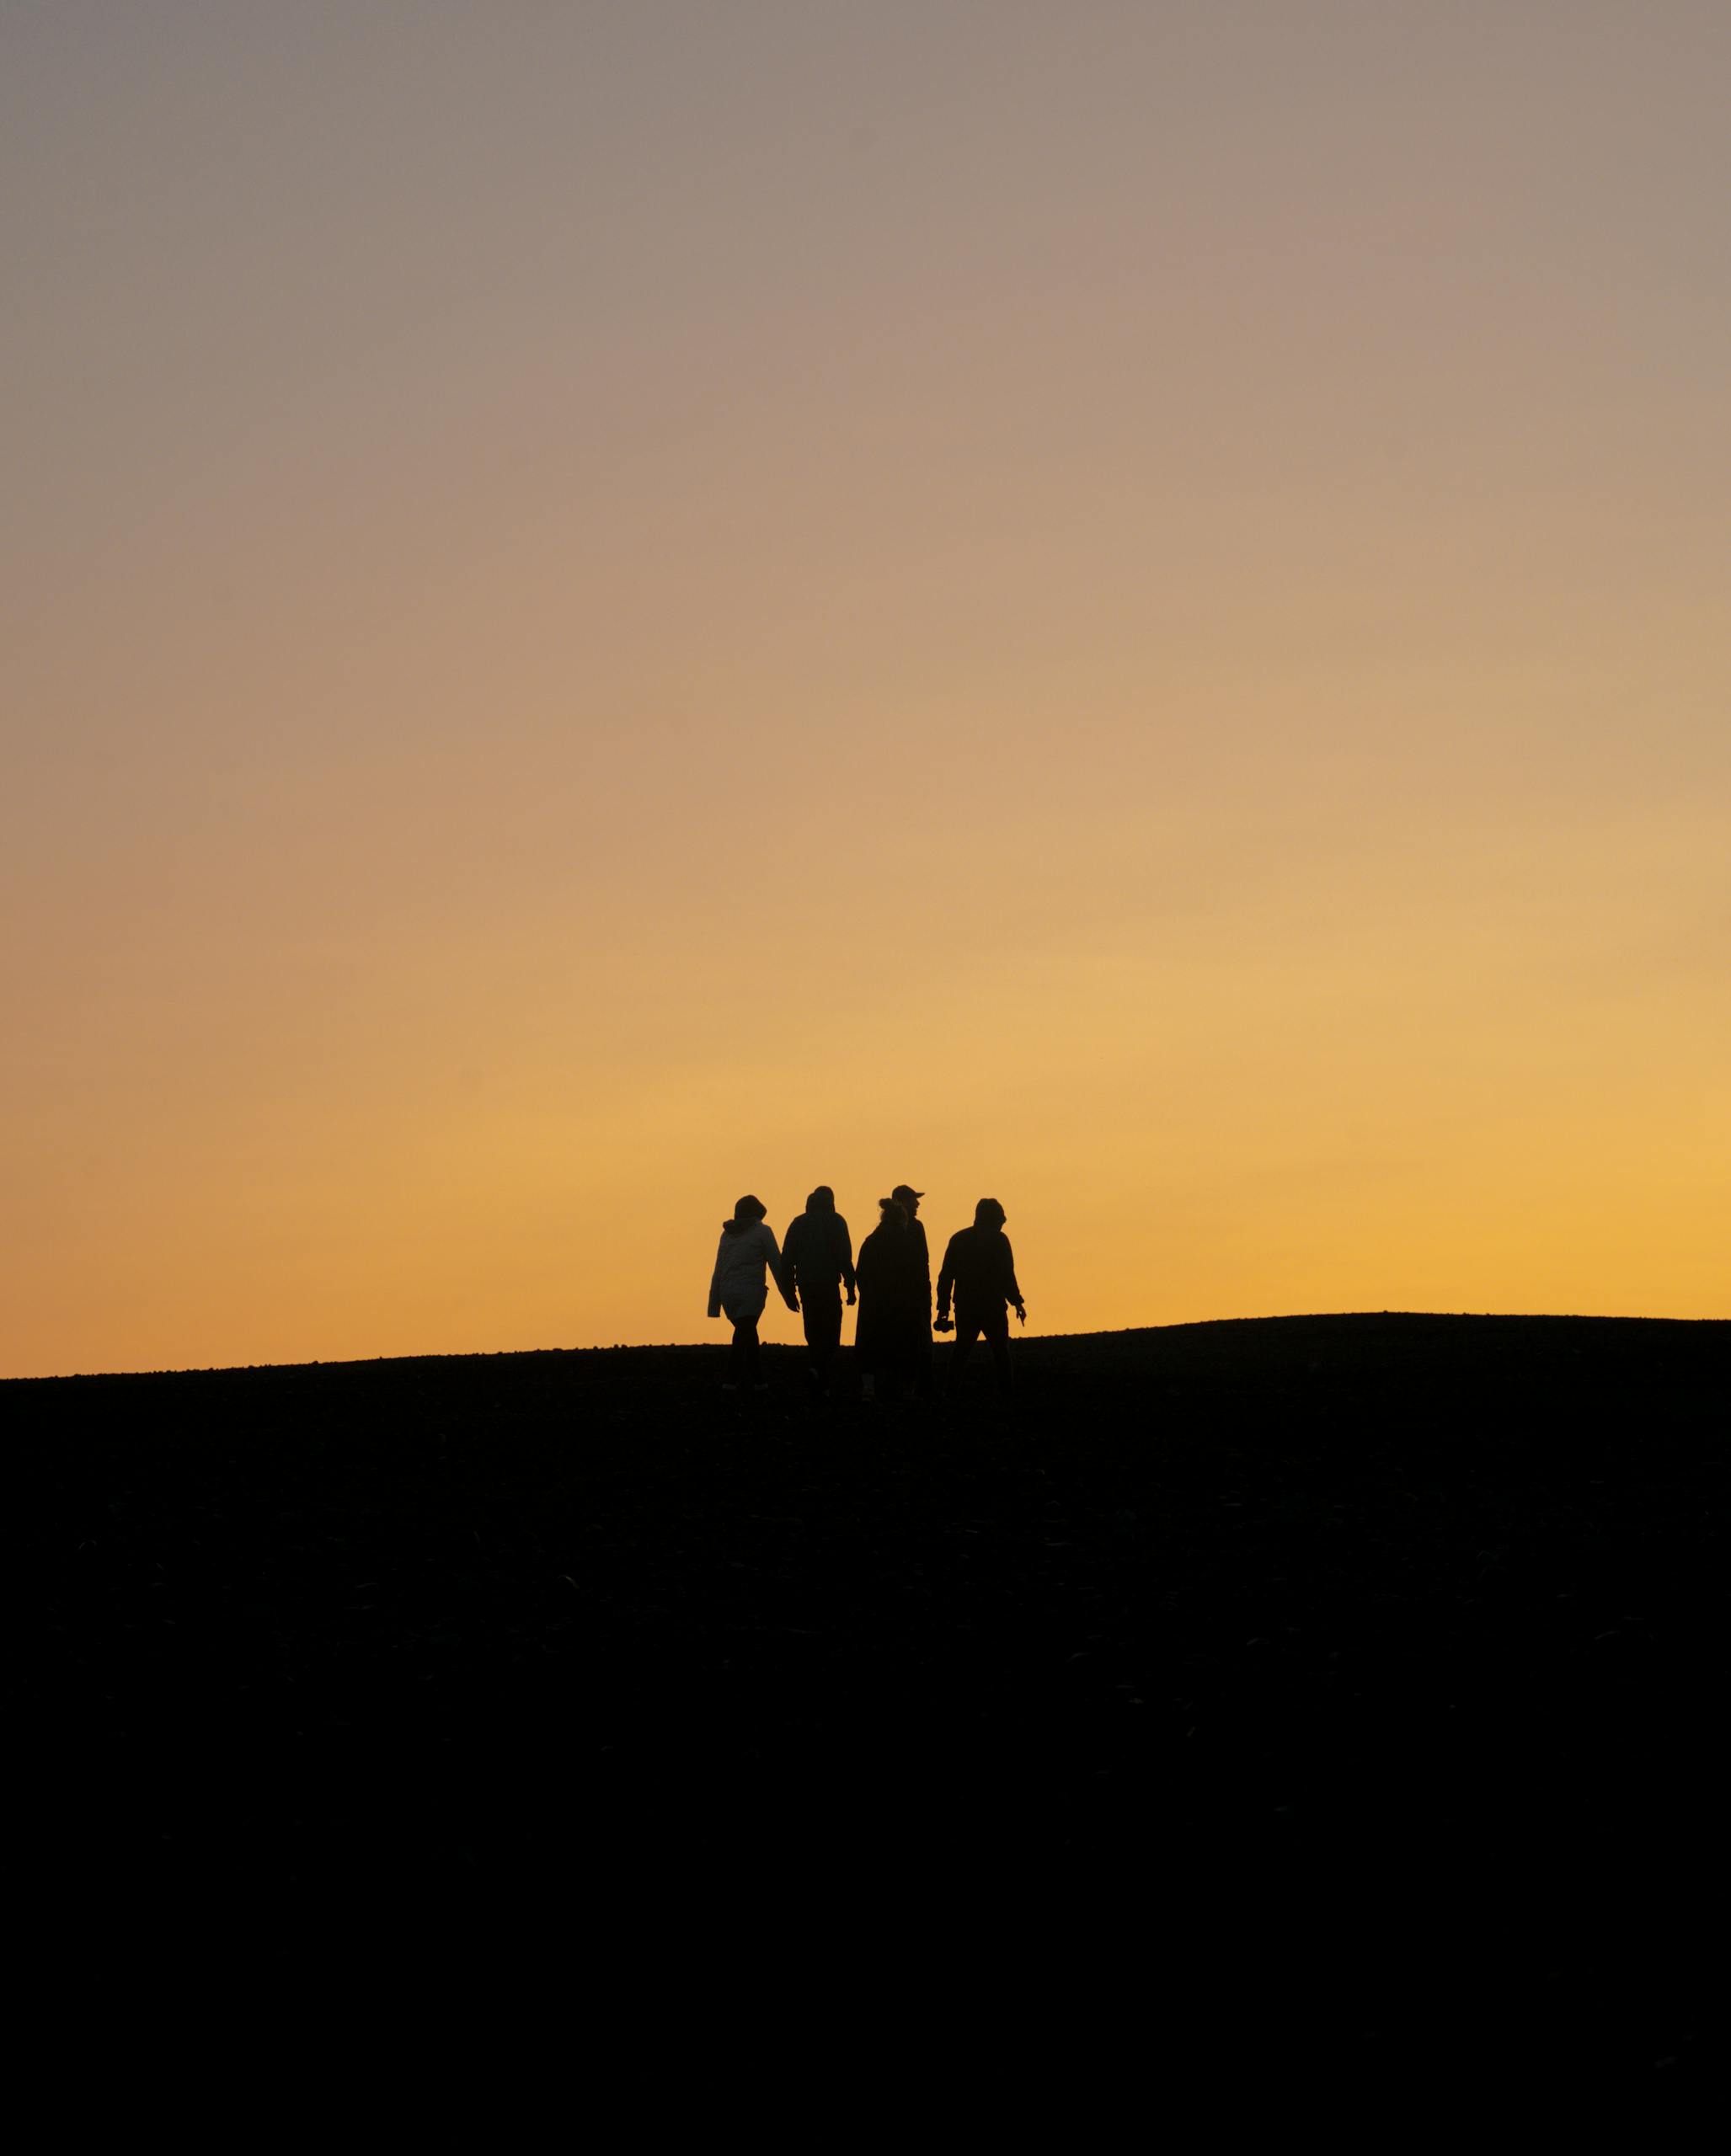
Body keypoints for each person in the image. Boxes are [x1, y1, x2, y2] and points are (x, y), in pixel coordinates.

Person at [708, 1195, 797, 1394]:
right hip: (750, 1294)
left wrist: (714, 1305)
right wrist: (788, 1295)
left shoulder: (726, 1235)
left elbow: (718, 1269)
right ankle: (730, 1381)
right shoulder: (763, 1231)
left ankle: (759, 1381)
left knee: (746, 1334)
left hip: (728, 1293)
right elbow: (776, 1263)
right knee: (744, 1335)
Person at [936, 1198, 1026, 1393]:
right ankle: (1006, 1393)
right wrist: (1017, 1301)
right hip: (993, 1305)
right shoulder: (1000, 1241)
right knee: (1001, 1352)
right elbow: (1007, 1275)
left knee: (962, 1350)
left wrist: (943, 1307)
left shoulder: (958, 1239)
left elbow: (946, 1276)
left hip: (966, 1306)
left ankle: (950, 1392)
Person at [782, 1185, 856, 1396]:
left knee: (813, 1332)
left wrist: (789, 1292)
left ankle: (818, 1375)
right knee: (831, 1332)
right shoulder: (837, 1221)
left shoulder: (798, 1223)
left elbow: (786, 1260)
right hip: (828, 1285)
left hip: (806, 1286)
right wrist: (851, 1287)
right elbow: (844, 1257)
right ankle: (821, 1376)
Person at [853, 1198, 927, 1402]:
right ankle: (907, 1391)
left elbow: (861, 1273)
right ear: (903, 1220)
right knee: (907, 1346)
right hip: (904, 1304)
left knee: (870, 1346)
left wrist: (868, 1294)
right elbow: (918, 1274)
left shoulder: (871, 1242)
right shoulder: (908, 1243)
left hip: (874, 1304)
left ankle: (869, 1389)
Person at [891, 1183, 934, 1395]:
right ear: (903, 1202)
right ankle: (919, 1388)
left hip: (900, 1294)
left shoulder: (887, 1231)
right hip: (914, 1293)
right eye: (913, 1200)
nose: (917, 1204)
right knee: (920, 1340)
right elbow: (922, 1261)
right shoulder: (916, 1227)